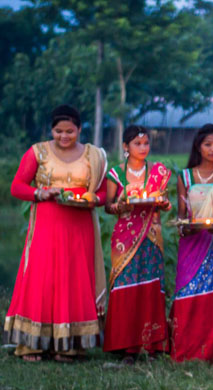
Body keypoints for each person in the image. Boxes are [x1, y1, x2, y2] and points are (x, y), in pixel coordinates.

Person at [4, 104, 108, 362]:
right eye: (58, 131)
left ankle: (70, 345)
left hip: (79, 228)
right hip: (45, 228)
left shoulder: (93, 155)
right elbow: (17, 187)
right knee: (42, 279)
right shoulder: (38, 152)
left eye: (70, 131)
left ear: (80, 129)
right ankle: (33, 344)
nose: (64, 136)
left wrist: (93, 198)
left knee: (74, 280)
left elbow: (105, 192)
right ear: (51, 130)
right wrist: (40, 193)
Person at [170, 124, 213, 362]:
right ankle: (187, 348)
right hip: (191, 243)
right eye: (208, 144)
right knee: (187, 291)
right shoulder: (185, 176)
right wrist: (184, 227)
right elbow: (181, 214)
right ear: (198, 146)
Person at [103, 126, 171, 360]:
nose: (143, 148)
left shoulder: (158, 171)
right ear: (125, 147)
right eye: (137, 144)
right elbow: (108, 206)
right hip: (125, 236)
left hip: (151, 235)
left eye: (145, 143)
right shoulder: (115, 174)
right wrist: (121, 206)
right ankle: (125, 346)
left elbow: (165, 200)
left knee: (151, 286)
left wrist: (162, 203)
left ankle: (152, 345)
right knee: (125, 285)